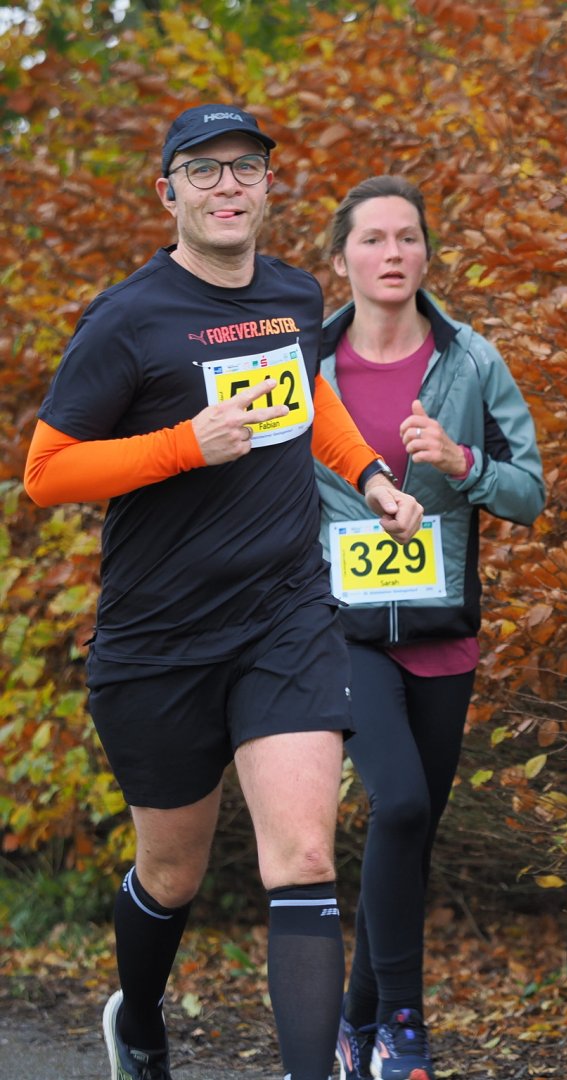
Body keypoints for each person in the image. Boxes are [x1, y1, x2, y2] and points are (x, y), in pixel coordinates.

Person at [23, 104, 423, 1080]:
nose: (228, 185)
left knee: (305, 861)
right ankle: (140, 1022)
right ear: (169, 193)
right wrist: (182, 445)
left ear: (269, 187)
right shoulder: (128, 319)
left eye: (245, 167)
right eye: (203, 171)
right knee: (173, 872)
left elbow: (308, 395)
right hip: (159, 638)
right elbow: (46, 473)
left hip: (284, 617)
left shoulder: (292, 293)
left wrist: (370, 477)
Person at [314, 175, 545, 1080]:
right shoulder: (305, 366)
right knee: (400, 804)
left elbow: (529, 492)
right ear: (342, 258)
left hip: (443, 636)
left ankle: (354, 1024)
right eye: (372, 239)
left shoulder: (471, 361)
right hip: (341, 631)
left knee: (410, 834)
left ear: (426, 254)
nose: (392, 253)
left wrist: (462, 462)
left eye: (407, 237)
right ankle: (404, 1026)